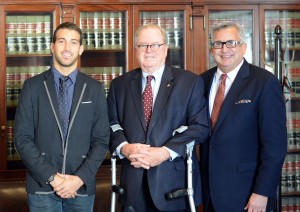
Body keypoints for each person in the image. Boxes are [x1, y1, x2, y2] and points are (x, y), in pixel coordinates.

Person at [107, 23, 209, 211]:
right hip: (133, 185)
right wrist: (125, 148)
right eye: (143, 45)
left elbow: (200, 127)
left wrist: (164, 152)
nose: (149, 50)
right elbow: (111, 124)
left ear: (165, 49)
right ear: (136, 49)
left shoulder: (190, 82)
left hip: (174, 186)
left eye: (155, 45)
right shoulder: (119, 85)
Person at [14, 22, 110, 212]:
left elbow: (101, 140)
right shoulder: (32, 87)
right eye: (62, 41)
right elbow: (22, 139)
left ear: (81, 49)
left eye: (74, 42)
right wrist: (53, 178)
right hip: (41, 188)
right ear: (52, 46)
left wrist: (79, 178)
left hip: (80, 188)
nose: (67, 48)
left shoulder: (94, 88)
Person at [199, 21, 287, 212]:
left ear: (243, 47)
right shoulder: (201, 81)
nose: (224, 49)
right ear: (212, 48)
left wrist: (262, 192)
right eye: (218, 44)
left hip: (248, 194)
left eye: (231, 43)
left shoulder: (264, 82)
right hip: (209, 192)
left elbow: (275, 145)